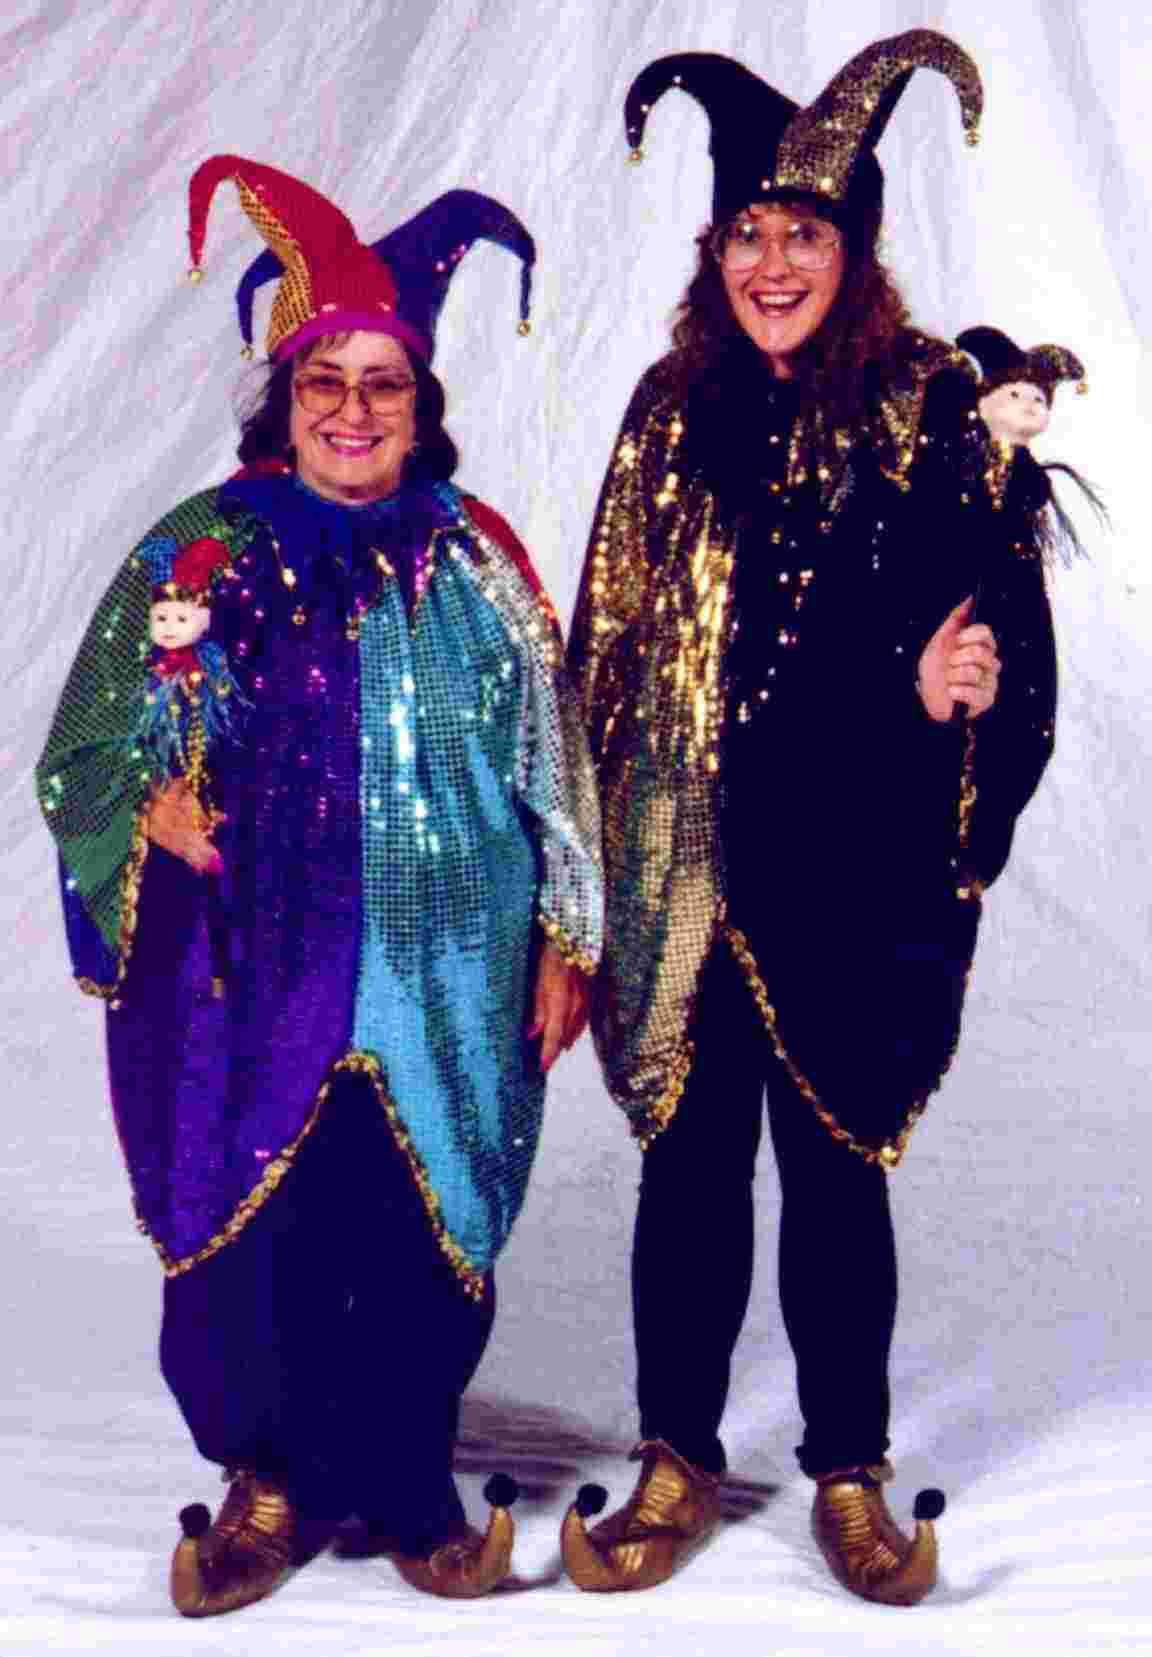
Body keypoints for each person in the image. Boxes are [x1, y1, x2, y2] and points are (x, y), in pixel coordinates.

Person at [36, 157, 601, 1617]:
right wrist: (141, 810)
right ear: (282, 403)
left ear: (425, 407)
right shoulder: (198, 552)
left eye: (385, 386)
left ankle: (413, 1485)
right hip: (253, 974)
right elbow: (82, 750)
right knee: (257, 1234)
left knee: (415, 1231)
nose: (355, 411)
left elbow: (559, 770)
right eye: (325, 384)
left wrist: (568, 933)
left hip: (444, 973)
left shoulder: (480, 567)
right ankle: (270, 1482)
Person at [561, 33, 1065, 1605]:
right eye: (750, 236)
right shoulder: (665, 410)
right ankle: (677, 1453)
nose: (775, 263)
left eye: (807, 235)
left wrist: (950, 689)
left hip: (846, 870)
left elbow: (996, 634)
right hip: (690, 869)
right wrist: (584, 878)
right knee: (690, 1170)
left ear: (859, 252)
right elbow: (611, 645)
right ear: (716, 252)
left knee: (838, 1166)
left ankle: (847, 1463)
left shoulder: (927, 409)